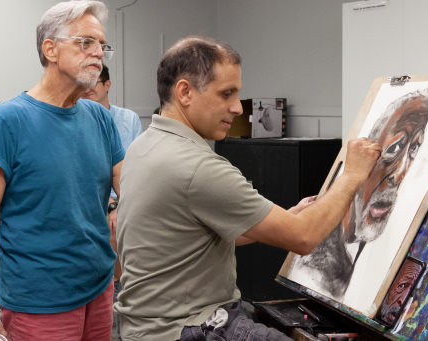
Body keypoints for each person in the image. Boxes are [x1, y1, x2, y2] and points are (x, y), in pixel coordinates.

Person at [114, 36, 383, 341]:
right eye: (226, 94)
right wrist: (352, 174)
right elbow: (304, 237)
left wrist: (285, 217)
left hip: (144, 326)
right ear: (185, 92)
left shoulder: (143, 146)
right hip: (187, 328)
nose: (237, 108)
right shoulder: (197, 167)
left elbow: (201, 230)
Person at [0, 1, 123, 340]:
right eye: (86, 42)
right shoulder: (5, 122)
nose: (98, 53)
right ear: (50, 49)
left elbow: (131, 189)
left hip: (99, 286)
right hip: (39, 301)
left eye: (102, 45)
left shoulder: (100, 118)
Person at [293, 90, 428, 298]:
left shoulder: (376, 252)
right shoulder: (314, 269)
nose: (400, 173)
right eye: (394, 148)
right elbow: (296, 236)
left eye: (413, 150)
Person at [82, 63, 141, 340]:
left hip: (124, 197)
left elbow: (133, 171)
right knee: (111, 228)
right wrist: (112, 205)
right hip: (100, 202)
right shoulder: (81, 119)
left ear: (107, 85)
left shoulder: (128, 120)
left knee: (127, 223)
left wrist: (121, 203)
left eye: (96, 82)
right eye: (86, 84)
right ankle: (114, 296)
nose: (89, 88)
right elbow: (88, 176)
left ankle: (128, 300)